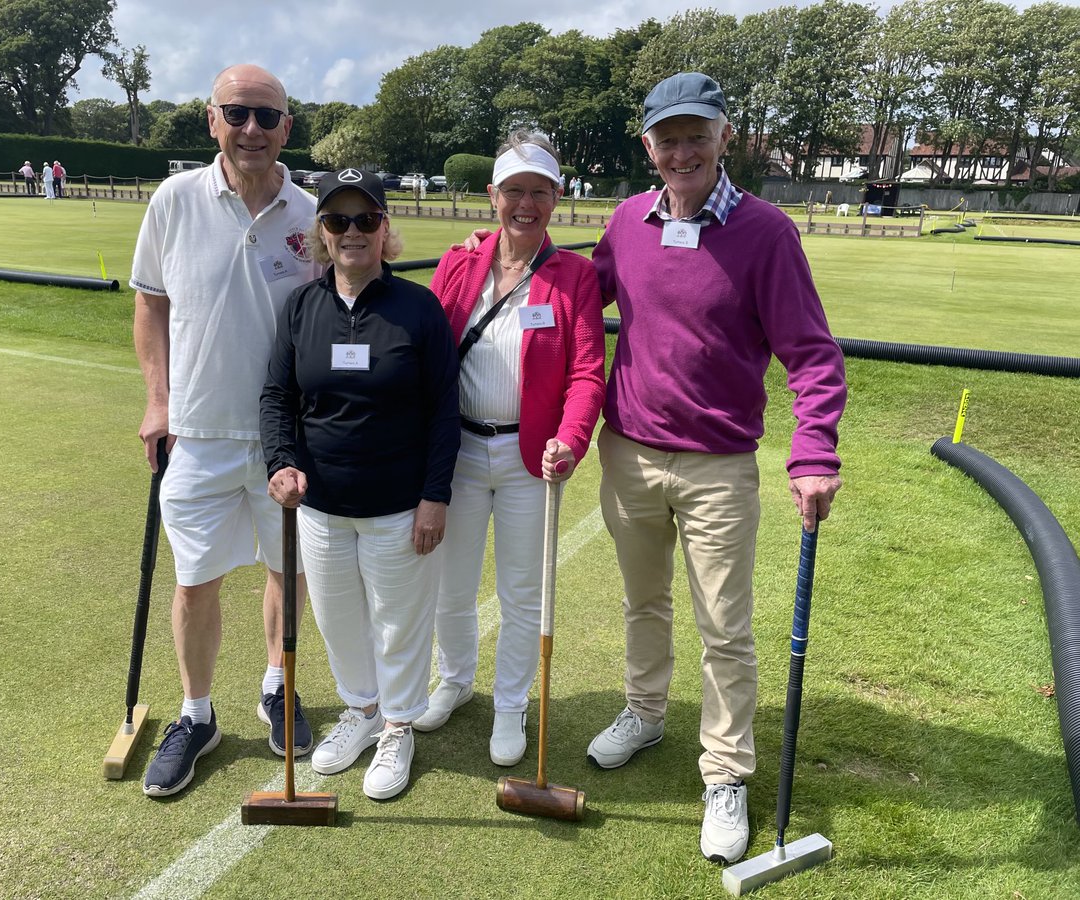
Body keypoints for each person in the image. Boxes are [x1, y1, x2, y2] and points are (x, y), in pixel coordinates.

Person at [587, 72, 846, 864]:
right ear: (649, 147)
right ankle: (646, 710)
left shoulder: (767, 233)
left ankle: (726, 772)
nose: (682, 150)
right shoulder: (627, 222)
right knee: (642, 604)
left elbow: (811, 355)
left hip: (719, 467)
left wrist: (815, 452)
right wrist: (498, 256)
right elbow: (571, 303)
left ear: (726, 137)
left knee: (724, 628)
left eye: (697, 134)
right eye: (667, 137)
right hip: (628, 450)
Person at [130, 63, 319, 798]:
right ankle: (197, 714)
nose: (250, 130)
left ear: (286, 129)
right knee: (194, 581)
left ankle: (277, 686)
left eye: (266, 117)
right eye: (236, 114)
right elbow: (150, 304)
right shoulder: (175, 200)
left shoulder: (312, 214)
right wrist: (158, 401)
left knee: (286, 570)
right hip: (199, 432)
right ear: (212, 119)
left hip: (285, 439)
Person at [260, 168, 460, 801]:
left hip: (400, 506)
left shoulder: (418, 308)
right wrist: (280, 462)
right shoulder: (301, 306)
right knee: (339, 619)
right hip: (320, 506)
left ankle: (398, 724)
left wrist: (435, 496)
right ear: (321, 231)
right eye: (338, 220)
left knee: (400, 623)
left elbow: (443, 411)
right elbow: (276, 396)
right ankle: (363, 710)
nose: (352, 232)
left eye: (366, 219)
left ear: (385, 229)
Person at [414, 132, 605, 767]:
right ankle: (455, 680)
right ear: (492, 195)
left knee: (524, 593)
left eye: (540, 193)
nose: (527, 204)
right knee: (451, 582)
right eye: (514, 191)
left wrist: (570, 439)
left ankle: (511, 703)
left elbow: (586, 375)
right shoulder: (458, 263)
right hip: (460, 454)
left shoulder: (574, 276)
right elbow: (429, 353)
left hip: (532, 460)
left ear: (557, 198)